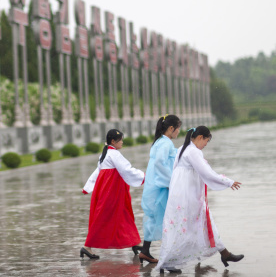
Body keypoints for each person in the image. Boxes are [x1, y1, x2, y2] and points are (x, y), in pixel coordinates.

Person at [156, 126, 243, 273]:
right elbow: (207, 173)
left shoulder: (182, 149)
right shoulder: (193, 152)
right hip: (189, 197)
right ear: (201, 137)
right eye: (206, 141)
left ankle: (224, 253)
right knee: (190, 226)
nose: (205, 145)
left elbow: (176, 172)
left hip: (181, 196)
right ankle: (167, 261)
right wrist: (228, 181)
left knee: (187, 226)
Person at [81, 129, 145, 259]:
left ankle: (136, 242)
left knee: (124, 215)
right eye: (120, 140)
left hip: (111, 191)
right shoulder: (114, 154)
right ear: (113, 141)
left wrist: (88, 187)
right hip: (112, 192)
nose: (122, 142)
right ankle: (87, 246)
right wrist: (144, 176)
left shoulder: (105, 155)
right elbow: (127, 169)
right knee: (105, 217)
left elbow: (97, 173)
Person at [140, 114, 181, 263]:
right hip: (161, 186)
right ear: (171, 128)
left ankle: (145, 250)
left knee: (153, 218)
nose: (178, 132)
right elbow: (159, 163)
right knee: (169, 219)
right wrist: (172, 181)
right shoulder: (166, 143)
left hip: (154, 185)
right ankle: (168, 258)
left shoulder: (159, 142)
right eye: (178, 129)